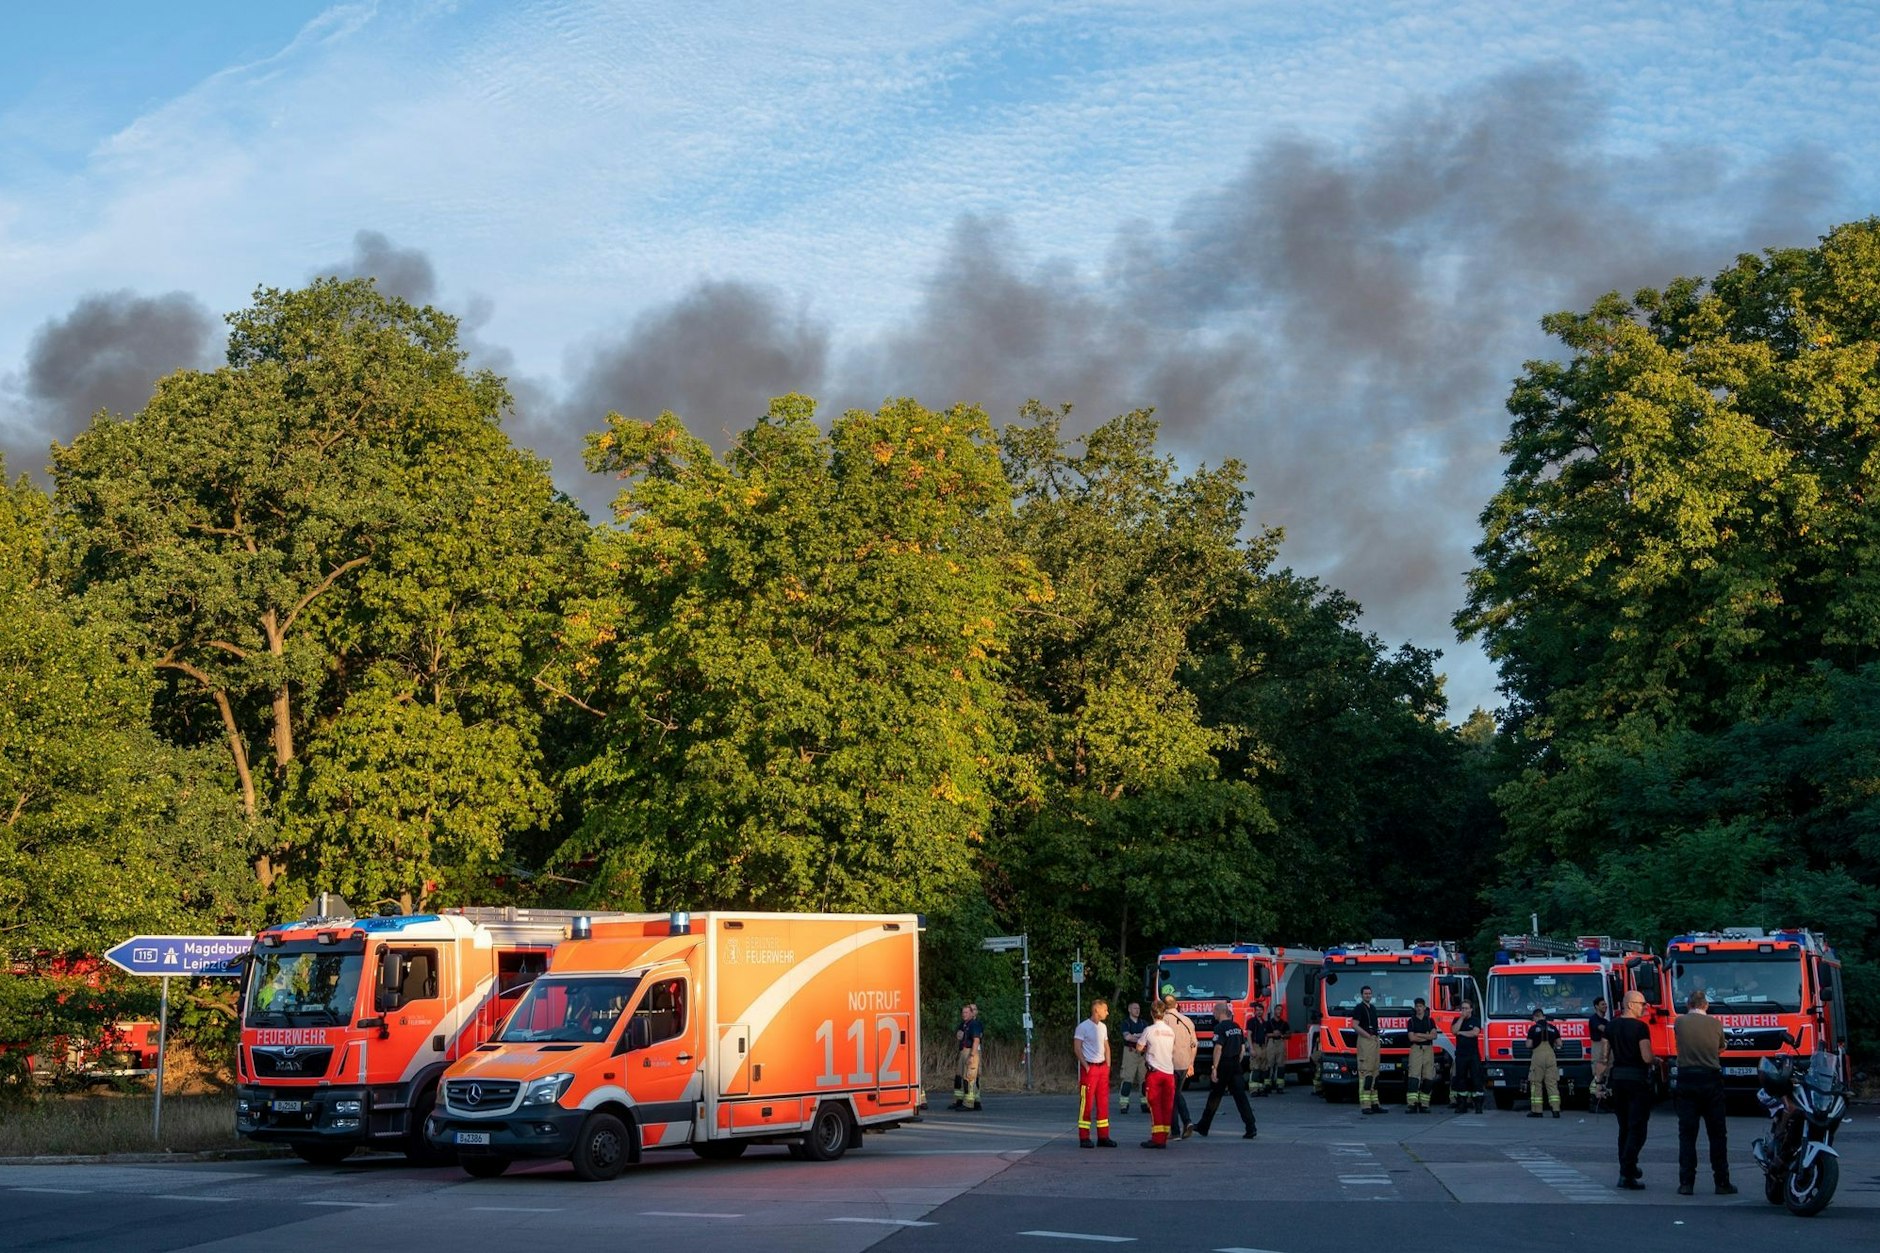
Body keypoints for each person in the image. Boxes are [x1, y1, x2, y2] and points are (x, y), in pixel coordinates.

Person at [1673, 989, 1735, 1195]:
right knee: (1717, 1134)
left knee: (1687, 1134)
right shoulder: (1716, 1024)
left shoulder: (1679, 1023)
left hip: (1686, 1079)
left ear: (1688, 1005)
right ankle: (1722, 1182)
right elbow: (1720, 1048)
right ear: (1706, 1006)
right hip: (1711, 1079)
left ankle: (1686, 1182)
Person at [1609, 990, 1656, 1189]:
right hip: (1637, 1081)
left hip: (1617, 1079)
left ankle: (1627, 1169)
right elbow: (1646, 1057)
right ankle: (1627, 1170)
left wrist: (1599, 1081)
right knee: (1638, 1128)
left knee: (1624, 1127)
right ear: (1630, 1005)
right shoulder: (1640, 1028)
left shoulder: (1611, 1026)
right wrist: (1656, 1059)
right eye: (1642, 1003)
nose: (1645, 1007)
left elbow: (1604, 1056)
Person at [1195, 1002, 1257, 1138]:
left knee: (1215, 1096)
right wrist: (1237, 1062)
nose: (1213, 1014)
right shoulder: (1237, 1027)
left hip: (1224, 1064)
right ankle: (1251, 1127)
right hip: (1235, 1065)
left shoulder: (1219, 1027)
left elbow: (1218, 1048)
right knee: (1241, 1098)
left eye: (1214, 1012)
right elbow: (1242, 1049)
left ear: (1220, 1012)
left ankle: (1203, 1126)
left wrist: (1215, 1068)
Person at [1073, 998, 1117, 1147]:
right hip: (1090, 1069)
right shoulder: (1083, 1027)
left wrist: (1108, 1065)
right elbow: (1077, 1048)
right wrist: (1085, 1065)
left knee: (1103, 1102)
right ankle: (1084, 1137)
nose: (1107, 1012)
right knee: (1087, 1103)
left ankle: (1103, 1136)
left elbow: (1106, 1046)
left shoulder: (1103, 1027)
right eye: (1105, 1009)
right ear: (1097, 1010)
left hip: (1102, 1068)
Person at [1139, 1002, 1177, 1148]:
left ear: (1151, 1013)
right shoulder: (1170, 1031)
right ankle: (1164, 1137)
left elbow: (1139, 1047)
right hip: (1169, 1072)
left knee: (1155, 1105)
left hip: (1154, 1073)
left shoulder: (1149, 1030)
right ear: (1164, 1013)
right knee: (1167, 1106)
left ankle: (1157, 1139)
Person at [1162, 993, 1199, 1138]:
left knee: (1172, 1096)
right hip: (1184, 1063)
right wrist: (1191, 1063)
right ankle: (1185, 1123)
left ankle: (1178, 1129)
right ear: (1177, 1005)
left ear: (1164, 1007)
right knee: (1176, 1094)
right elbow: (1194, 1044)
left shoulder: (1162, 1021)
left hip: (1169, 1063)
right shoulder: (1187, 1020)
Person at [1353, 985, 1384, 1114]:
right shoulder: (1359, 1008)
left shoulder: (1373, 1008)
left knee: (1375, 1073)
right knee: (1366, 1073)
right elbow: (1354, 1025)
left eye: (1369, 993)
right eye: (1365, 994)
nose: (1368, 995)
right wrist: (1368, 1035)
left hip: (1374, 1041)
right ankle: (1366, 1105)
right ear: (1361, 995)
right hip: (1366, 1041)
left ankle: (1375, 1103)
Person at [1527, 1007, 1563, 1117]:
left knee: (1536, 1082)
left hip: (1538, 1056)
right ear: (1544, 1016)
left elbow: (1528, 1044)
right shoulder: (1553, 1028)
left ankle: (1537, 1111)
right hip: (1551, 1056)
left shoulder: (1533, 1029)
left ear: (1536, 1017)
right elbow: (1560, 1044)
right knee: (1552, 1083)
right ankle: (1556, 1110)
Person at [1451, 1000, 1485, 1113]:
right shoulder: (1457, 1020)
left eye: (1466, 1008)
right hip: (1461, 1054)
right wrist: (1461, 1018)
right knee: (1460, 1079)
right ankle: (1462, 1104)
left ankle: (1478, 1105)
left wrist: (1461, 1033)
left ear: (1471, 1009)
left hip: (1473, 1054)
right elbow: (1454, 1030)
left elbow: (1475, 1033)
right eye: (1463, 1008)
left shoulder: (1475, 1020)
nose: (1464, 1010)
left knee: (1476, 1078)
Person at [1404, 997, 1437, 1113]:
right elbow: (1412, 1037)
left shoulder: (1430, 1021)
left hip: (1428, 1050)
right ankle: (1412, 1104)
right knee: (1414, 1076)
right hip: (1416, 1049)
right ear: (1415, 1007)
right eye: (1417, 1006)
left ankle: (1424, 1104)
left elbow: (1434, 1036)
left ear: (1424, 1007)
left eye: (1420, 1006)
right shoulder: (1411, 1021)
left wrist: (1419, 1035)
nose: (1418, 1009)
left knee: (1428, 1076)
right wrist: (1426, 1035)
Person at [1117, 1001, 1148, 1114]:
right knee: (1127, 1079)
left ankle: (1145, 1104)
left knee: (1144, 1080)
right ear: (1129, 1010)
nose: (1137, 1010)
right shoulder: (1126, 1023)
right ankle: (1124, 1105)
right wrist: (1140, 1037)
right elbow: (1127, 1037)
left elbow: (1147, 1036)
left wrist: (1135, 1036)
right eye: (1135, 1008)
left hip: (1143, 1054)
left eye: (1138, 1008)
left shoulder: (1144, 1023)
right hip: (1130, 1053)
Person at [951, 1003, 983, 1111]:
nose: (964, 1014)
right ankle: (961, 1101)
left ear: (971, 1013)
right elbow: (959, 1036)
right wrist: (958, 1036)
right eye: (963, 1012)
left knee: (970, 1078)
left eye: (966, 1012)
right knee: (959, 1077)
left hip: (970, 1051)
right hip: (963, 1051)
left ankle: (969, 1103)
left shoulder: (974, 1024)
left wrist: (972, 1056)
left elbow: (976, 1040)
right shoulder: (964, 1024)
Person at [1588, 996, 1613, 1113]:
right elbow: (1603, 1029)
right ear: (1596, 1006)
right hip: (1598, 1046)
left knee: (1605, 1075)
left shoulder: (1607, 1021)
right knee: (1598, 1076)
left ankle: (1603, 1102)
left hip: (1606, 1046)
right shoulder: (1594, 1019)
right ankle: (1594, 1102)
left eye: (1606, 1004)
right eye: (1603, 1004)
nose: (1605, 1006)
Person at [1263, 1003, 1290, 1093]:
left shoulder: (1284, 1023)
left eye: (1281, 1010)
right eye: (1278, 1010)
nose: (1279, 1012)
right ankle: (1267, 1085)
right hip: (1271, 1042)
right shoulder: (1268, 1023)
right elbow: (1265, 1034)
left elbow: (1289, 1035)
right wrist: (1273, 1034)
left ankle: (1280, 1085)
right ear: (1274, 1011)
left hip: (1281, 1043)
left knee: (1281, 1064)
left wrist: (1282, 1035)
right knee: (1269, 1064)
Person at [1244, 1003, 1269, 1096]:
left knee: (1263, 1068)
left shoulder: (1264, 1022)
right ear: (1255, 1011)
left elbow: (1266, 1036)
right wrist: (1251, 1048)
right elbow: (1249, 1035)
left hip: (1263, 1047)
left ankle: (1261, 1089)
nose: (1259, 1012)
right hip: (1255, 1045)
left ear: (1263, 1011)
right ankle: (1254, 1090)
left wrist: (1266, 1047)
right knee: (1255, 1067)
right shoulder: (1251, 1021)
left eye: (1261, 1010)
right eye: (1257, 1010)